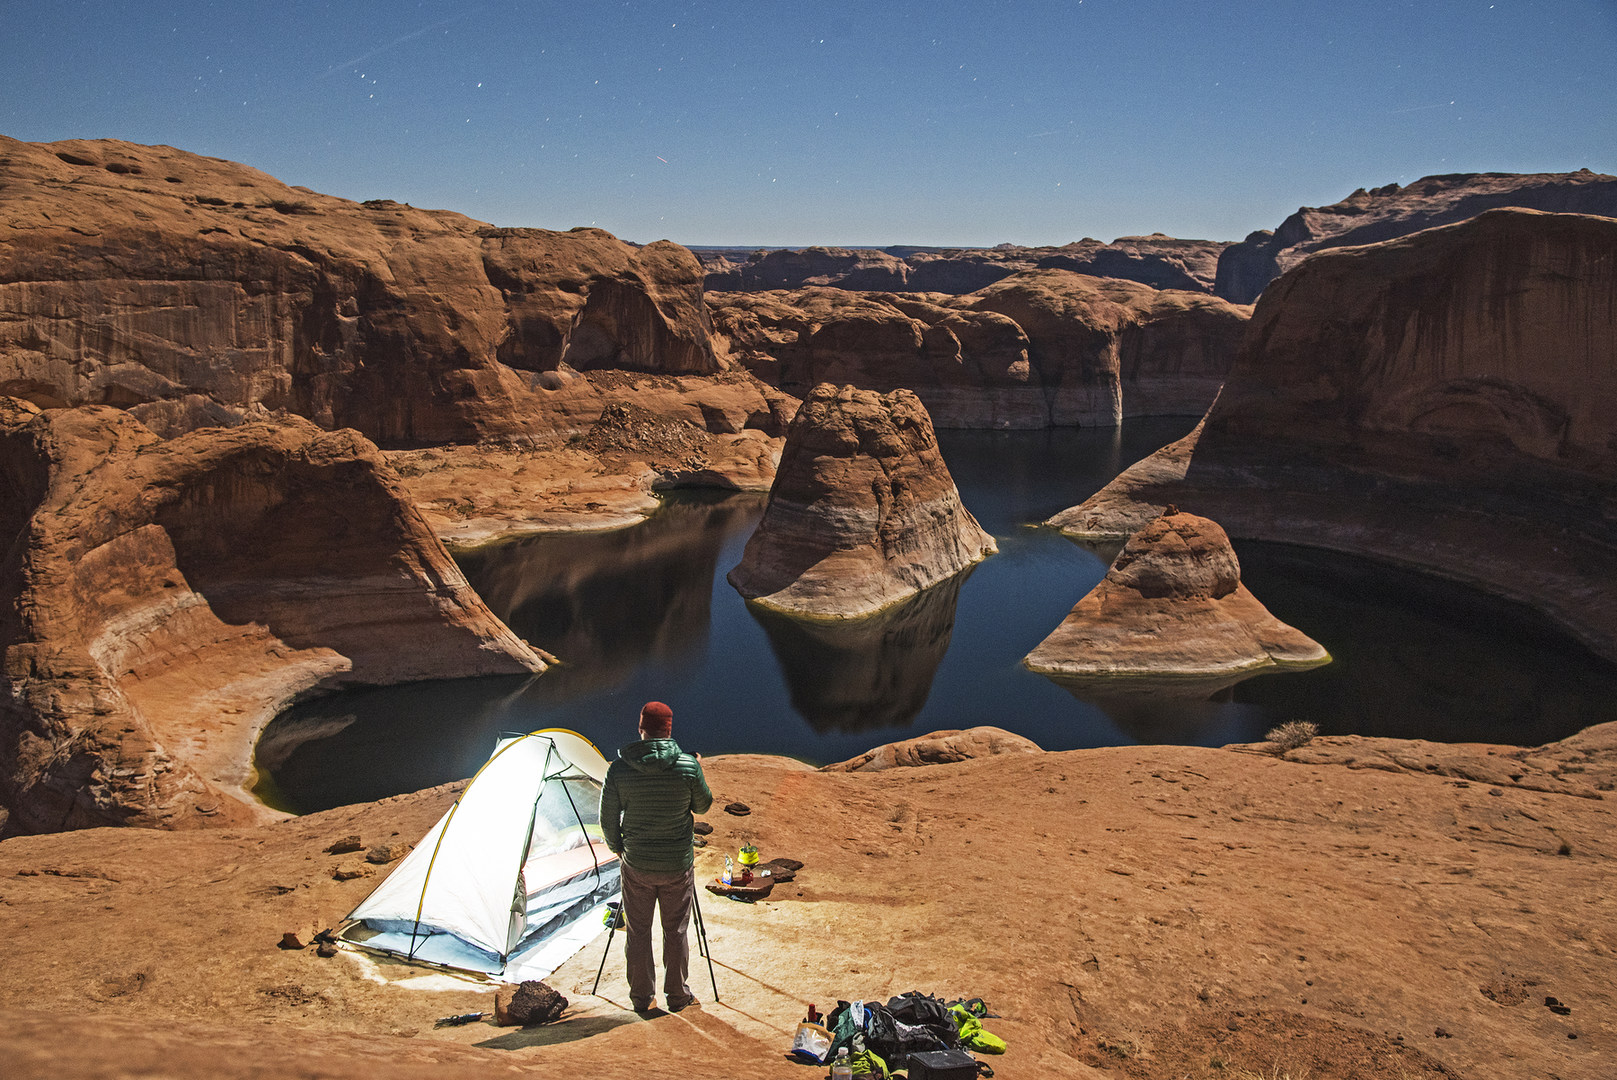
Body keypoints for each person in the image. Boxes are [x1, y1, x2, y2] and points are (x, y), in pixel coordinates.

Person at [598, 700, 713, 1014]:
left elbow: (607, 818)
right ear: (669, 729)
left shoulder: (619, 769)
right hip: (677, 864)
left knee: (638, 931)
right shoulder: (687, 766)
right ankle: (677, 996)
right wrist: (697, 768)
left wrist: (618, 848)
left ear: (641, 728)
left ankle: (642, 998)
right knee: (675, 931)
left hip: (637, 864)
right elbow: (703, 806)